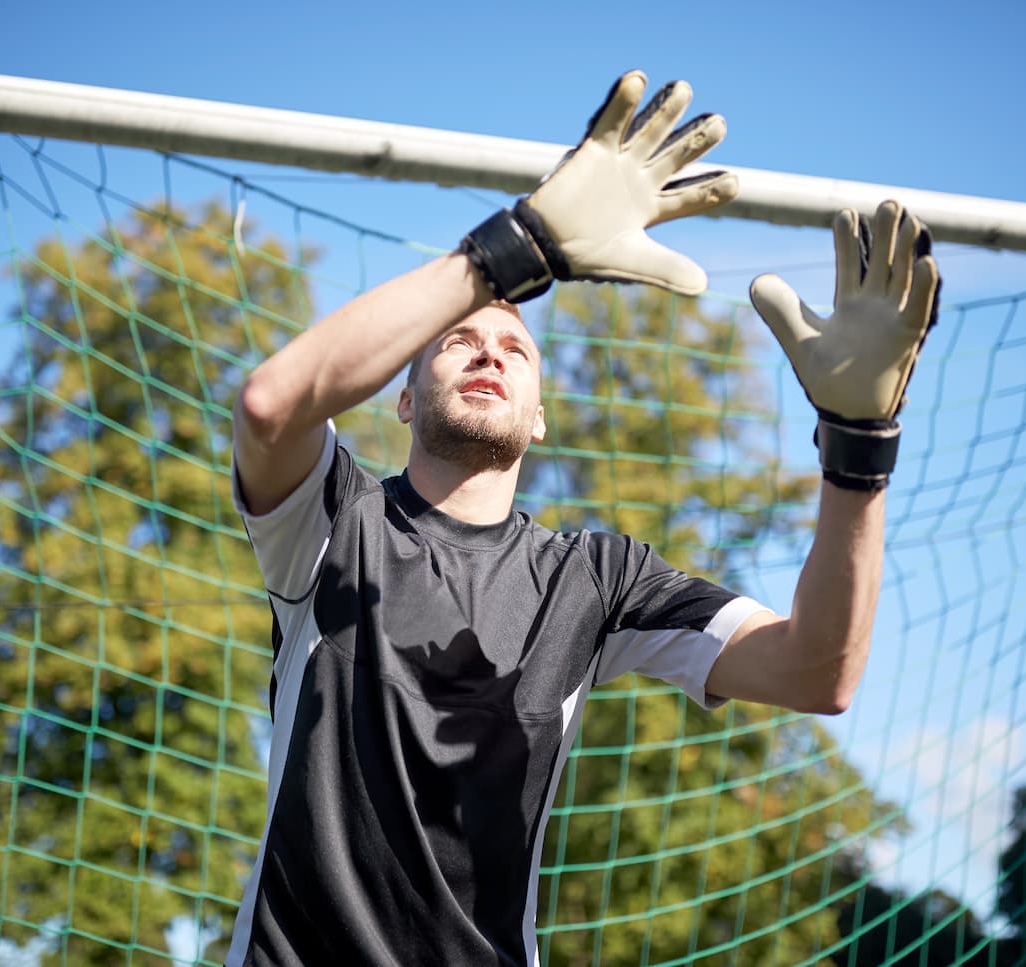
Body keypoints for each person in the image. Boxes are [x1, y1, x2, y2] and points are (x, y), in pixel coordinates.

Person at [224, 70, 939, 967]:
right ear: (402, 397)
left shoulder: (594, 581)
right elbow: (269, 406)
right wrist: (512, 251)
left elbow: (817, 671)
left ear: (539, 416)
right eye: (457, 339)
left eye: (516, 346)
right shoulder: (334, 522)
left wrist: (859, 446)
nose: (490, 346)